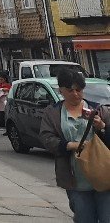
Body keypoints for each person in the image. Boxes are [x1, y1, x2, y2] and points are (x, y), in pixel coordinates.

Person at [40, 66, 110, 222]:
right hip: (76, 179)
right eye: (70, 90)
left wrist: (103, 127)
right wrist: (69, 145)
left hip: (104, 175)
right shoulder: (53, 113)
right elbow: (46, 138)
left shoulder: (99, 110)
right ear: (61, 91)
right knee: (84, 218)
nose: (76, 94)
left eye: (79, 90)